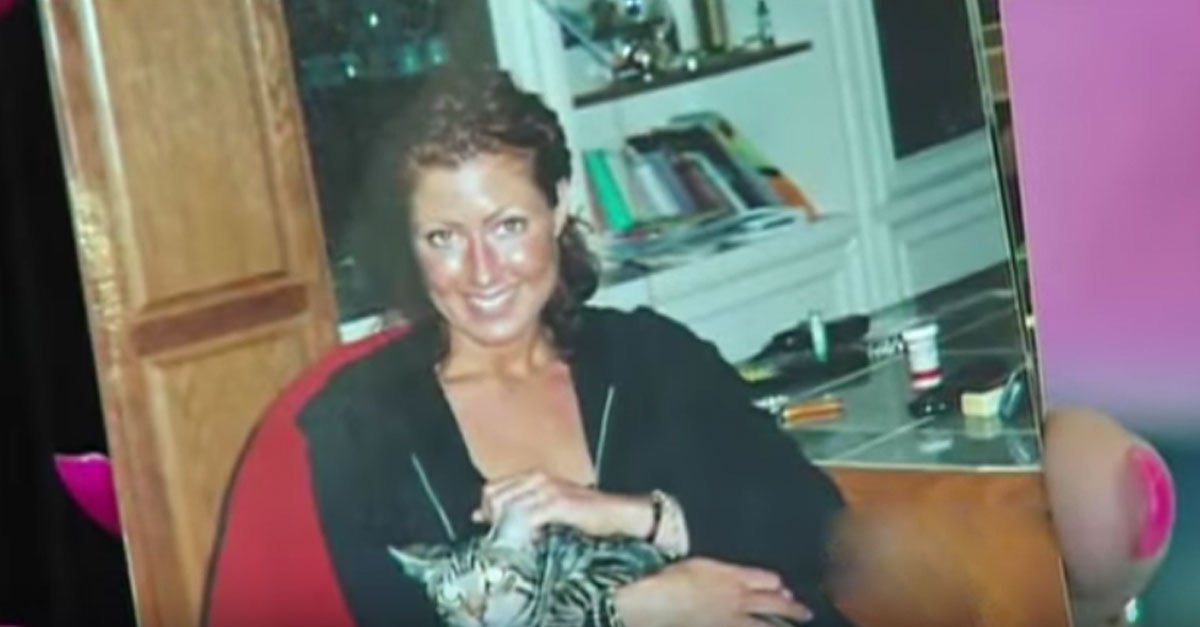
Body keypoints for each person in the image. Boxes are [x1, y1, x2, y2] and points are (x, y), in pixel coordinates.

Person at [297, 68, 853, 626]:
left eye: (508, 226)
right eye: (443, 237)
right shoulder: (360, 423)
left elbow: (820, 532)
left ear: (558, 207)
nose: (482, 271)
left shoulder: (652, 357)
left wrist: (636, 516)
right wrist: (622, 613)